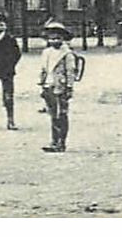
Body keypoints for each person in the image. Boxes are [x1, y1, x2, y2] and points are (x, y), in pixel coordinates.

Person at [38, 18, 83, 153]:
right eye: (51, 39)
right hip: (49, 86)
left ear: (63, 38)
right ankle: (54, 140)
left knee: (61, 114)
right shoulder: (46, 53)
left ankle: (61, 142)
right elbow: (43, 69)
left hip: (60, 87)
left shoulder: (67, 54)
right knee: (52, 114)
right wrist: (42, 82)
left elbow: (71, 72)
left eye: (58, 38)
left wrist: (69, 87)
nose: (54, 41)